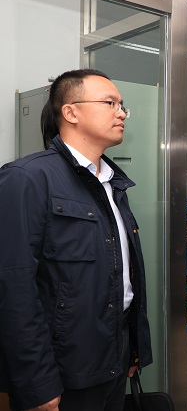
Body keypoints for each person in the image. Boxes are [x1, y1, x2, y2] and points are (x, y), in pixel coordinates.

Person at [0, 69, 152, 411]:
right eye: (110, 103)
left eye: (122, 105)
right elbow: (13, 289)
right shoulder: (26, 179)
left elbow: (125, 277)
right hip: (63, 369)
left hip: (113, 358)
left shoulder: (112, 183)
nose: (121, 113)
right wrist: (36, 382)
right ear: (71, 112)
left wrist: (134, 350)